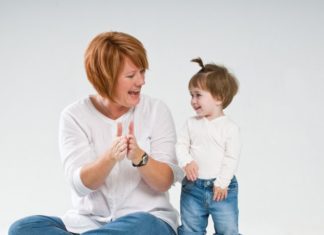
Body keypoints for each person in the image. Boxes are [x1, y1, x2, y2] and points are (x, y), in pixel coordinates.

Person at [9, 31, 179, 235]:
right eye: (131, 75)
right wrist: (110, 158)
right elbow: (80, 185)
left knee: (144, 224)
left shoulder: (156, 111)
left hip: (148, 221)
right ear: (106, 78)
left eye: (143, 72)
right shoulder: (74, 116)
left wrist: (138, 156)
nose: (141, 81)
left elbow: (164, 182)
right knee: (23, 228)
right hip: (88, 224)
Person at [176, 58, 241, 235]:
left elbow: (231, 158)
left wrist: (222, 183)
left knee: (228, 230)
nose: (193, 100)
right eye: (191, 95)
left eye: (198, 95)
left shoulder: (230, 128)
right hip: (193, 188)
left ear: (219, 98)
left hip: (222, 189)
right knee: (190, 230)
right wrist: (187, 161)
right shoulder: (190, 123)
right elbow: (181, 145)